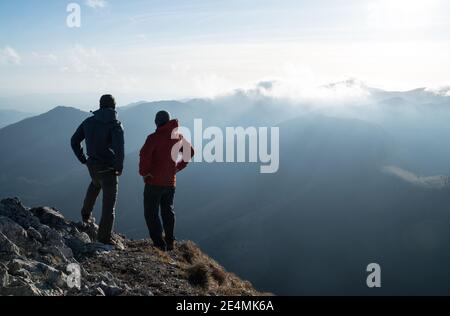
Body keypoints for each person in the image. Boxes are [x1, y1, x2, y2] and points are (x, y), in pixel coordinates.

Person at [71, 94, 124, 245]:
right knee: (109, 205)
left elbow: (74, 140)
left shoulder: (88, 122)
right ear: (114, 106)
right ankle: (104, 238)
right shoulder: (115, 125)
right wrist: (119, 166)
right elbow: (119, 149)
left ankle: (85, 214)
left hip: (92, 165)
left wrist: (82, 158)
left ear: (100, 105)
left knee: (95, 184)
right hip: (108, 167)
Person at [139, 111, 194, 251]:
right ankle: (170, 241)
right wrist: (178, 167)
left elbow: (144, 156)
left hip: (154, 182)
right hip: (170, 182)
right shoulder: (178, 137)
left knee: (151, 213)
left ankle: (159, 244)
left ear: (156, 122)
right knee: (167, 210)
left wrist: (144, 173)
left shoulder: (153, 138)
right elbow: (190, 152)